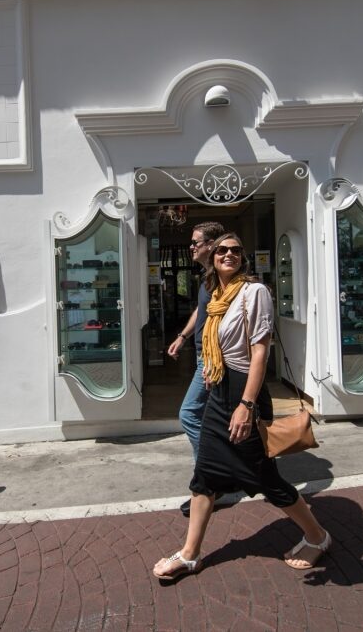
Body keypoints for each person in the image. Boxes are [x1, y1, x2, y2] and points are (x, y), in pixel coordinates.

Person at [153, 233, 331, 579]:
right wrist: (212, 370)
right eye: (222, 250)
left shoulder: (254, 292)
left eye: (235, 250)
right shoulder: (216, 294)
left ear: (243, 257)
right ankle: (190, 555)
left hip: (245, 392)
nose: (229, 254)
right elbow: (216, 341)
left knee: (266, 478)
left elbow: (260, 352)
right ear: (213, 256)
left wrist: (246, 405)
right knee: (204, 474)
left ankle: (318, 536)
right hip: (219, 390)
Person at [167, 221, 225, 517]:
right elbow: (200, 311)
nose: (191, 247)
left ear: (211, 245)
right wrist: (182, 336)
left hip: (212, 359)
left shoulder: (223, 277)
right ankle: (216, 476)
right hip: (205, 355)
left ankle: (211, 480)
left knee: (189, 414)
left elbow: (229, 322)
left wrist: (215, 360)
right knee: (213, 419)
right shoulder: (208, 278)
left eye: (195, 242)